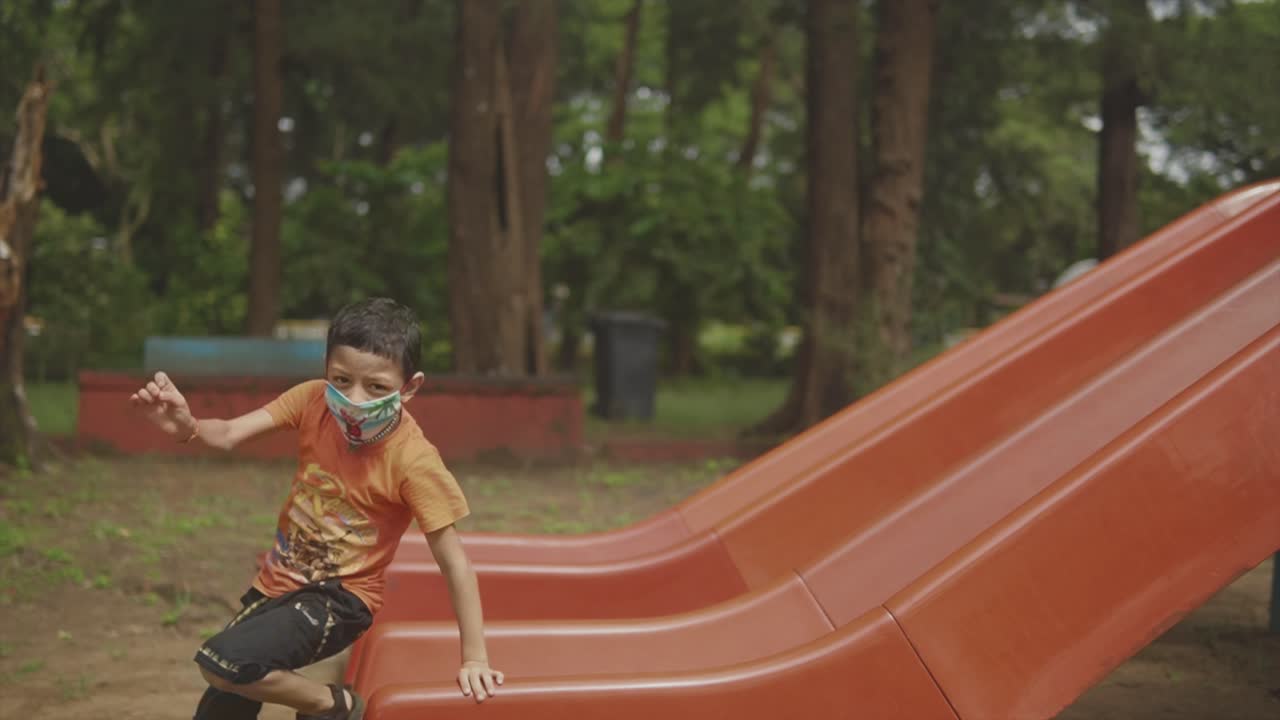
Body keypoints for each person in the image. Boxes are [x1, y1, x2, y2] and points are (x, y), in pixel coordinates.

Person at [129, 298, 502, 720]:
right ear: (325, 369)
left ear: (410, 387)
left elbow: (455, 562)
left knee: (221, 661)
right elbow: (231, 432)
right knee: (224, 700)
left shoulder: (414, 461)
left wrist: (474, 656)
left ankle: (333, 704)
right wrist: (189, 427)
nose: (354, 398)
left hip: (341, 599)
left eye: (376, 387)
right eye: (341, 380)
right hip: (278, 582)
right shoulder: (312, 401)